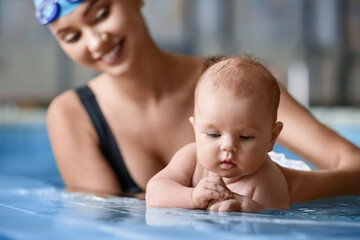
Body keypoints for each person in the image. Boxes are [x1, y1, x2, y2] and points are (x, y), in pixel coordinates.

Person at [32, 0, 360, 202]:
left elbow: (354, 166)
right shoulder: (72, 115)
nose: (96, 41)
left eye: (102, 12)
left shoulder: (243, 84)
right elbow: (102, 227)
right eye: (71, 36)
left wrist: (289, 188)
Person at [146, 56, 289, 212]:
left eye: (245, 137)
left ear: (272, 138)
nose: (228, 146)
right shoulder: (191, 159)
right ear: (195, 130)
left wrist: (247, 207)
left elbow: (276, 222)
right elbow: (153, 193)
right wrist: (191, 196)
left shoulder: (268, 181)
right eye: (213, 135)